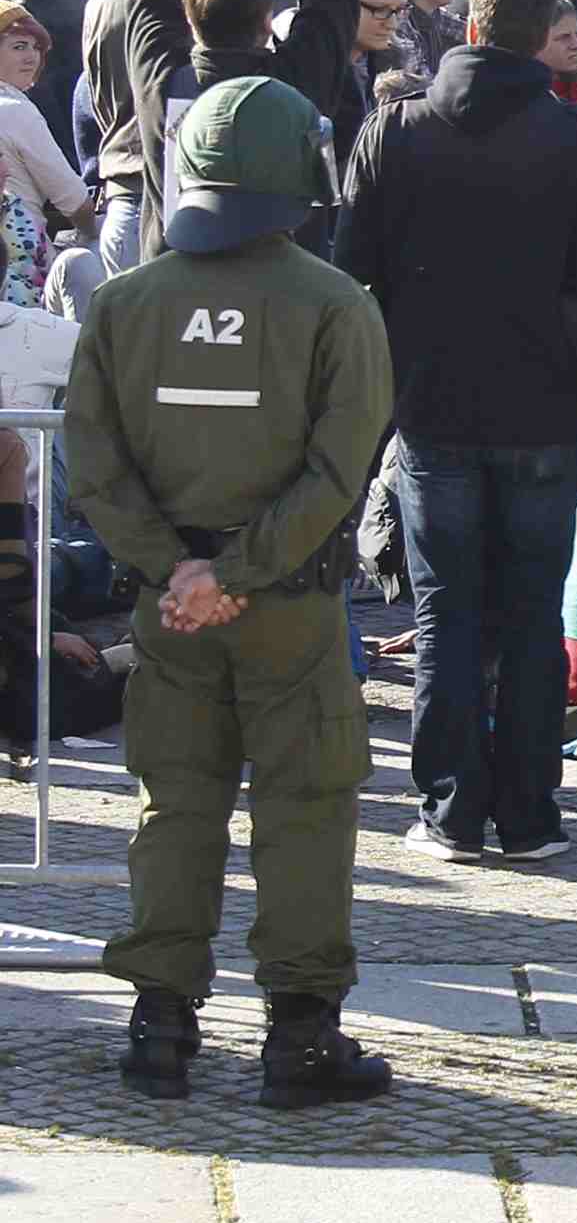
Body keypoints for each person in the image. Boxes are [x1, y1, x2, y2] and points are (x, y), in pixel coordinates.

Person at [74, 77, 394, 1106]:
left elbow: (96, 464)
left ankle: (159, 1022)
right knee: (304, 812)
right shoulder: (335, 306)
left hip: (167, 610)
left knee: (175, 806)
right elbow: (338, 471)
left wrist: (177, 570)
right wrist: (240, 569)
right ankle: (300, 1038)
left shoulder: (123, 304)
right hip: (289, 604)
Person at [339, 0, 577, 861]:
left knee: (447, 619)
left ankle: (453, 809)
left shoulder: (396, 132)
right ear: (542, 35)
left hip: (434, 407)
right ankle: (530, 812)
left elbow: (357, 279)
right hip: (542, 411)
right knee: (532, 614)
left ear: (469, 28)